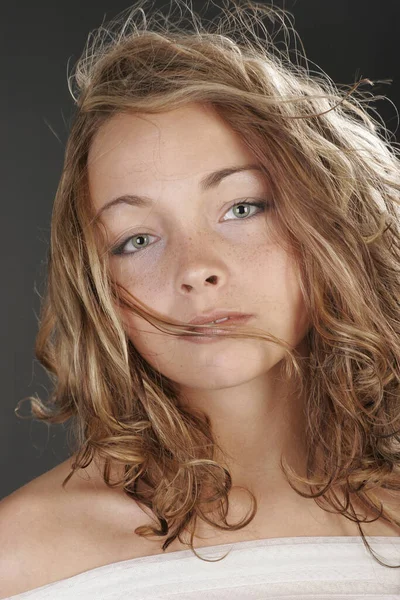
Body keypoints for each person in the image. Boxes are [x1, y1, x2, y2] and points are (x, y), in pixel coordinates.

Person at [1, 0, 400, 597]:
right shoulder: (22, 555)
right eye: (137, 239)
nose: (195, 269)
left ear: (330, 215)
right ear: (98, 284)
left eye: (242, 208)